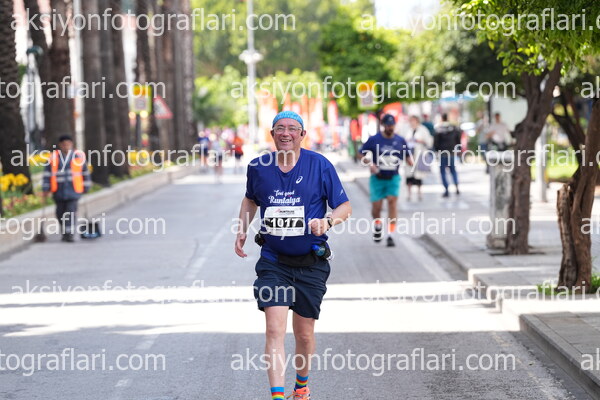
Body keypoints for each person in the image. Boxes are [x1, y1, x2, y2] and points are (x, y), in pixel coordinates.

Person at [235, 111, 351, 400]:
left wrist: (327, 222)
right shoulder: (258, 167)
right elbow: (250, 199)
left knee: (304, 334)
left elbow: (344, 207)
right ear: (272, 134)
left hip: (311, 262)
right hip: (273, 261)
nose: (286, 133)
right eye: (280, 128)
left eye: (292, 129)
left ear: (302, 135)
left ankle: (301, 386)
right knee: (274, 329)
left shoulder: (320, 165)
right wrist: (242, 229)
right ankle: (277, 396)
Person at [359, 114, 412, 247]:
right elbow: (360, 153)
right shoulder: (374, 139)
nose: (390, 128)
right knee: (377, 207)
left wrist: (411, 162)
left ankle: (390, 235)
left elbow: (407, 156)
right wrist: (370, 163)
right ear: (383, 125)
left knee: (392, 202)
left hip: (393, 177)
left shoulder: (400, 140)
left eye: (392, 125)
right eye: (387, 125)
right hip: (377, 178)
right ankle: (378, 226)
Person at [42, 135, 91, 242]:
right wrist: (45, 188)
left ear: (71, 144)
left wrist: (86, 186)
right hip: (58, 191)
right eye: (64, 144)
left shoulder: (78, 157)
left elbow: (85, 173)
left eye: (68, 144)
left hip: (74, 191)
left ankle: (69, 234)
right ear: (60, 145)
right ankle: (65, 232)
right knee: (60, 213)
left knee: (70, 212)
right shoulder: (53, 158)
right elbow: (47, 174)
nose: (66, 146)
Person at [403, 115, 433, 202]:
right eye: (411, 120)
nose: (412, 122)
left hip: (419, 154)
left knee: (419, 176)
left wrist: (420, 141)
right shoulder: (406, 129)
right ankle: (409, 194)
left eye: (414, 120)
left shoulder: (423, 129)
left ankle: (419, 193)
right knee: (409, 176)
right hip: (409, 155)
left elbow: (429, 141)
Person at [434, 114, 462, 198]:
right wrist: (458, 148)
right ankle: (456, 186)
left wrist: (436, 150)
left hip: (442, 152)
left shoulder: (439, 128)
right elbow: (458, 139)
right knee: (453, 170)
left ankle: (446, 189)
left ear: (442, 119)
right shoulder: (453, 128)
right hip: (451, 152)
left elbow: (436, 142)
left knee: (443, 172)